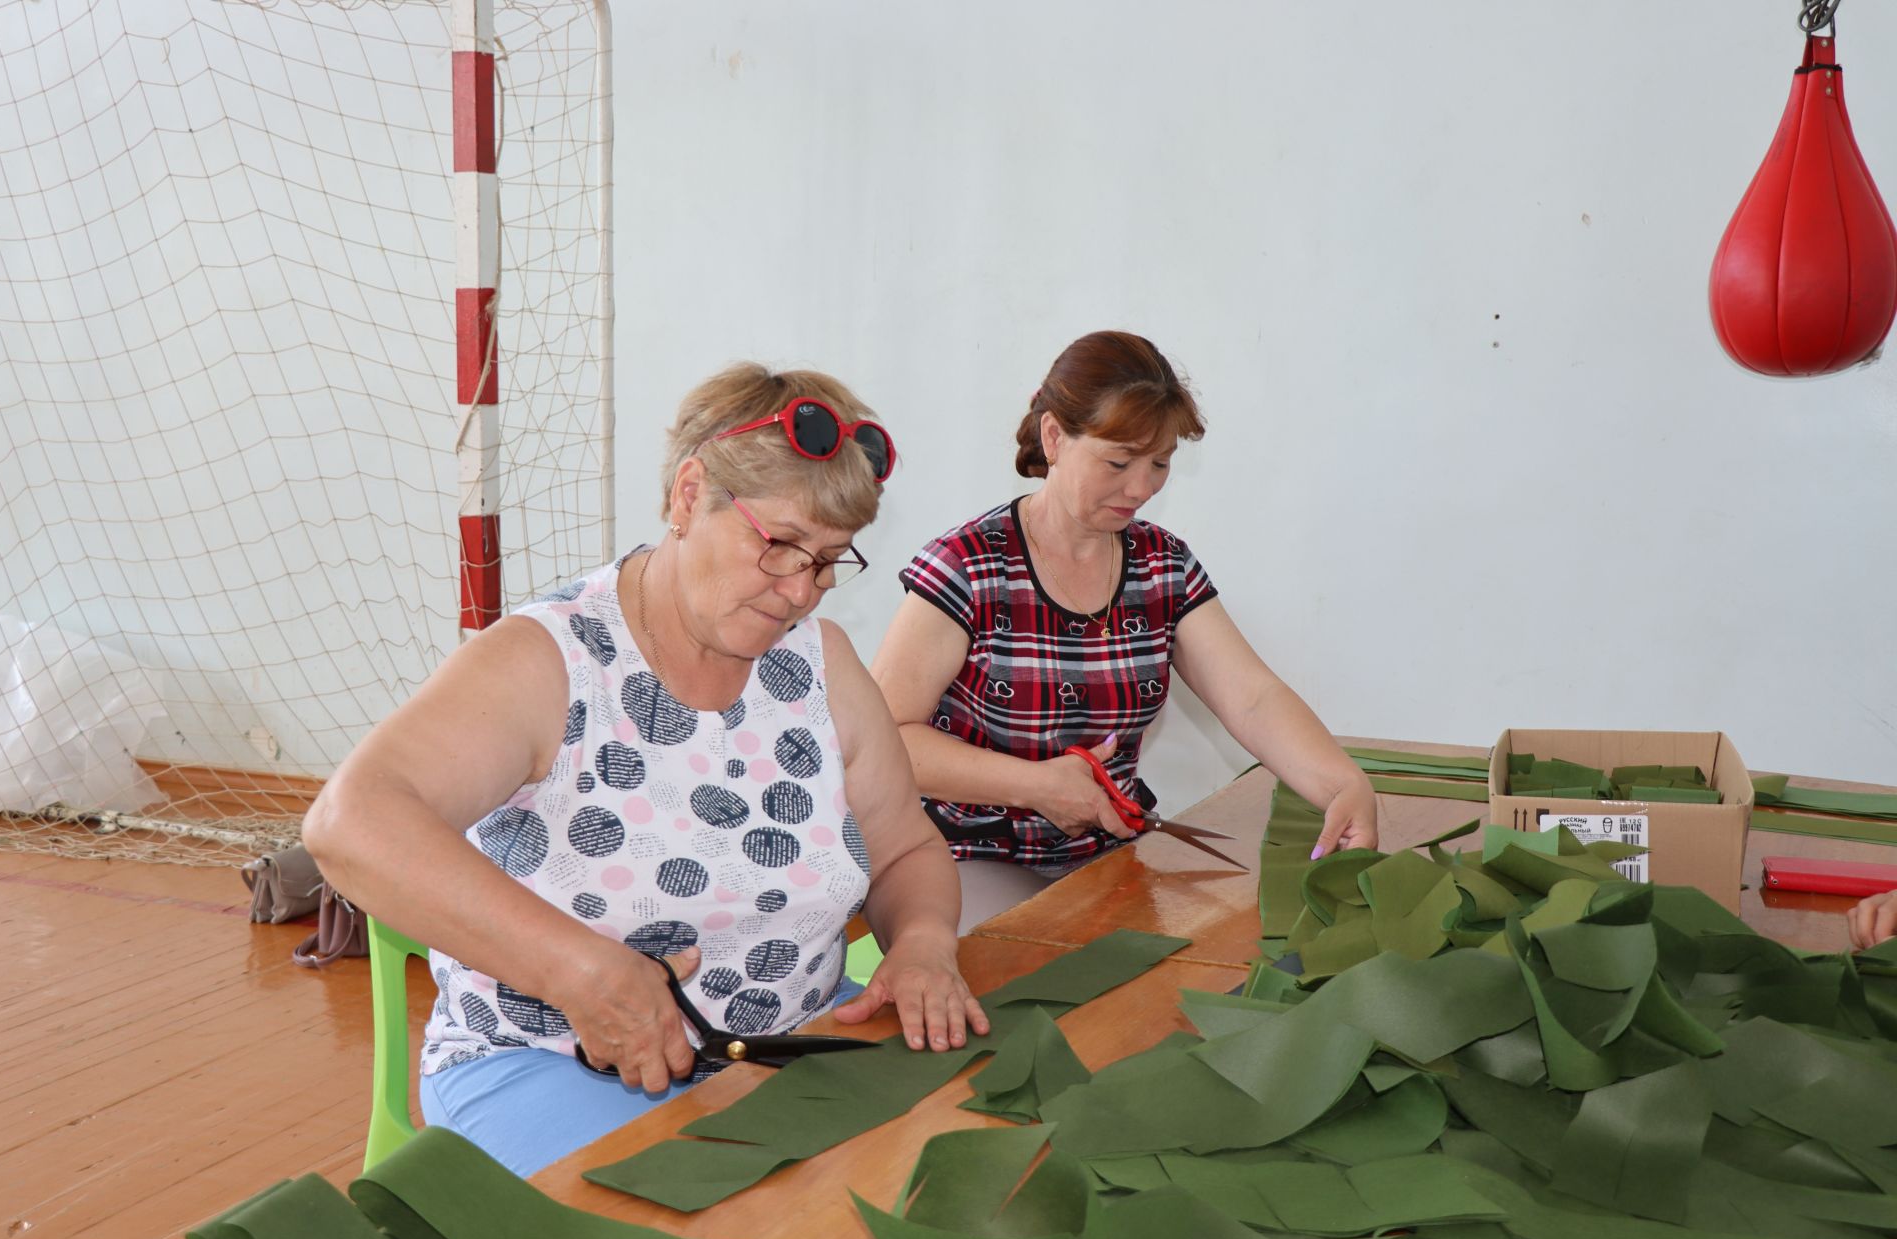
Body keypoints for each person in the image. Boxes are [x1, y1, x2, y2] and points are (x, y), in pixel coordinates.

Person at [304, 363, 988, 1175]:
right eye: (779, 548)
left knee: (967, 1166)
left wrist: (921, 943)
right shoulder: (550, 661)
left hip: (784, 1047)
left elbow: (904, 851)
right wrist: (582, 973)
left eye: (829, 561)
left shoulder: (820, 666)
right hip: (551, 1060)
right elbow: (350, 823)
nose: (801, 591)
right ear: (689, 495)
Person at [870, 331, 1378, 930]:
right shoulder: (970, 565)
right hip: (962, 852)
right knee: (1027, 974)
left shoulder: (1162, 565)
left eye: (1160, 463)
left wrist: (1344, 784)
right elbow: (884, 740)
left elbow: (1252, 698)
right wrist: (1034, 786)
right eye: (1118, 461)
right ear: (1054, 437)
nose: (1140, 488)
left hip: (1104, 851)